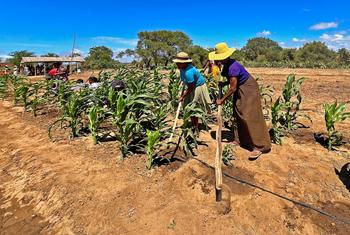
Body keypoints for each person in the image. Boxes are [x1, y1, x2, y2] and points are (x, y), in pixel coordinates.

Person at [209, 42, 271, 159]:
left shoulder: (233, 67)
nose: (219, 60)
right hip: (240, 88)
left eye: (220, 58)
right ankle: (240, 140)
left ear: (226, 56)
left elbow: (232, 88)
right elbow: (231, 81)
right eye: (218, 59)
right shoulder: (226, 65)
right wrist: (223, 82)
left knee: (249, 116)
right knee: (237, 113)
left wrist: (221, 100)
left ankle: (259, 146)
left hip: (248, 89)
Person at [173, 52, 211, 129]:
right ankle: (193, 123)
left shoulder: (189, 72)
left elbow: (191, 87)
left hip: (198, 87)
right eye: (177, 62)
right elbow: (184, 79)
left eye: (179, 63)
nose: (177, 64)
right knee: (188, 105)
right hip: (191, 86)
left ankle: (195, 126)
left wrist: (183, 96)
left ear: (184, 63)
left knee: (194, 106)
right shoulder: (182, 68)